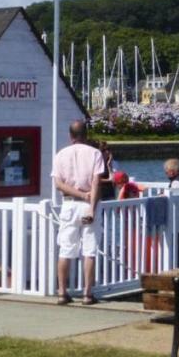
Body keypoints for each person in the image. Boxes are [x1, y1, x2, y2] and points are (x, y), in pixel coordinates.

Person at [53, 119, 103, 305]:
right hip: (88, 203)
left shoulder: (61, 154)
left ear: (70, 135)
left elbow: (58, 184)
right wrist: (89, 204)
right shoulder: (95, 153)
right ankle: (87, 294)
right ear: (86, 135)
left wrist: (79, 195)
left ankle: (62, 292)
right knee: (89, 251)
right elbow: (96, 181)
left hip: (68, 204)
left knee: (65, 249)